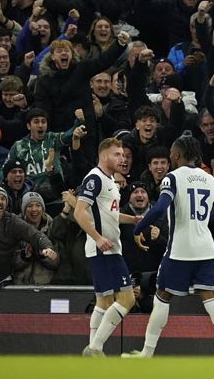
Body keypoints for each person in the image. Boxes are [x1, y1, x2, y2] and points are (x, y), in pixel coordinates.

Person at [129, 134, 214, 358]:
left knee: (162, 298)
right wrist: (204, 219)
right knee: (211, 300)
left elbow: (159, 209)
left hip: (180, 249)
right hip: (206, 248)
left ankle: (146, 354)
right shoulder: (208, 178)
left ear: (177, 155)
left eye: (171, 154)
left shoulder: (172, 178)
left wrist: (138, 230)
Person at [76, 138, 140, 357]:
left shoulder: (109, 181)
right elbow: (79, 212)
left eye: (122, 155)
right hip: (105, 249)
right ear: (104, 156)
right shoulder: (94, 178)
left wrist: (132, 219)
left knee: (103, 300)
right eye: (116, 155)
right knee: (127, 299)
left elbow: (109, 214)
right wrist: (97, 238)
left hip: (109, 248)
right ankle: (95, 348)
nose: (122, 159)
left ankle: (92, 349)